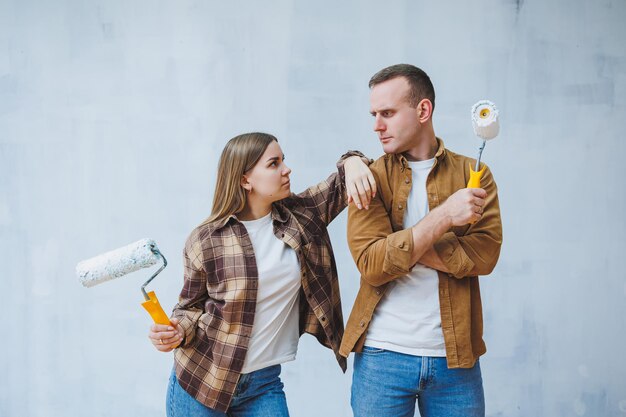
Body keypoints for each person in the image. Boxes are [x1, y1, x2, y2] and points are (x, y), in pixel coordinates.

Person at [148, 132, 376, 416]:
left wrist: (353, 160)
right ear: (245, 180)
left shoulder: (301, 216)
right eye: (274, 164)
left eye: (284, 161)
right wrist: (176, 330)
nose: (286, 169)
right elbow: (190, 307)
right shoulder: (206, 239)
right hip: (203, 380)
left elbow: (345, 181)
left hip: (263, 384)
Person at [339, 64, 503, 417]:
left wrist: (402, 246)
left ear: (423, 110)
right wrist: (444, 216)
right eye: (374, 114)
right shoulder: (369, 177)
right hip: (383, 358)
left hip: (456, 360)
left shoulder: (472, 175)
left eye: (387, 113)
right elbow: (372, 264)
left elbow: (485, 256)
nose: (376, 125)